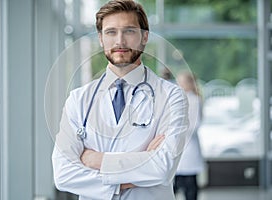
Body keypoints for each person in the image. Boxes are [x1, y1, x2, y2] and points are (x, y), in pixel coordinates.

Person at [52, 0, 189, 199]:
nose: (120, 42)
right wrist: (131, 176)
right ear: (100, 39)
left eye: (129, 31)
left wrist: (95, 160)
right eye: (111, 32)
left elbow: (162, 168)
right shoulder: (79, 99)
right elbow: (63, 174)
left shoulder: (171, 96)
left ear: (144, 37)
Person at [173, 71, 205, 200]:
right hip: (179, 147)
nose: (179, 85)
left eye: (182, 82)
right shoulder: (179, 99)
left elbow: (195, 124)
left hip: (189, 146)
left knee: (190, 185)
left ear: (190, 84)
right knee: (177, 183)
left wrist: (176, 129)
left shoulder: (195, 100)